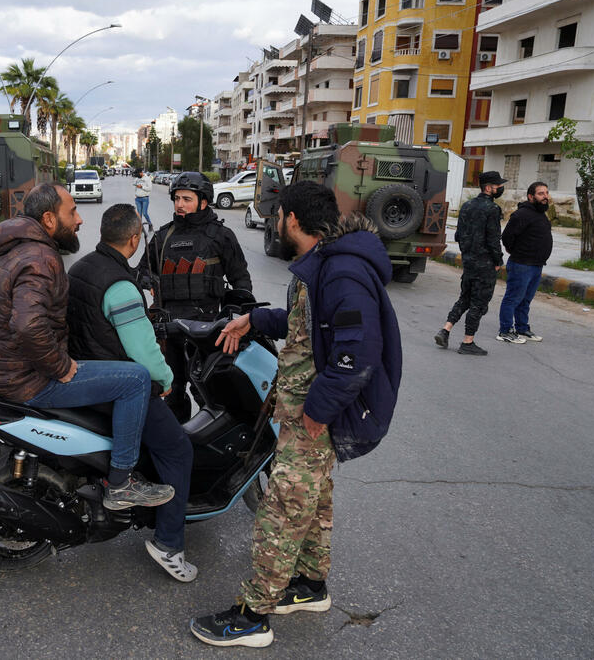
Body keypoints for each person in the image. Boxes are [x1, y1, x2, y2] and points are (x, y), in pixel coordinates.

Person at [188, 181, 401, 648]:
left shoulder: (342, 272)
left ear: (293, 220)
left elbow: (355, 356)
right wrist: (256, 320)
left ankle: (253, 614)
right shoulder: (323, 263)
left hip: (315, 414)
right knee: (314, 500)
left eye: (277, 215)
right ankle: (309, 586)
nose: (273, 222)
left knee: (282, 510)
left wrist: (317, 413)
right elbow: (310, 323)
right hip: (307, 410)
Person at [0, 183, 173, 510]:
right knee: (136, 379)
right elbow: (27, 324)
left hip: (5, 370)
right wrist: (61, 367)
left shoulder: (16, 248)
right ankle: (122, 483)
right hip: (29, 379)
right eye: (72, 212)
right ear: (50, 219)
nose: (80, 220)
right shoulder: (39, 257)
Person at [67, 203, 197, 582]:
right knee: (177, 448)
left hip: (84, 376)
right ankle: (169, 544)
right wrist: (168, 380)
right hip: (118, 387)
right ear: (135, 239)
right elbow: (142, 351)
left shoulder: (82, 267)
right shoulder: (120, 285)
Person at [147, 171, 252, 422]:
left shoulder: (221, 236)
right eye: (177, 199)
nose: (180, 205)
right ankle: (179, 443)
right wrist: (148, 282)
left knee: (207, 393)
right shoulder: (163, 236)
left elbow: (240, 280)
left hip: (206, 332)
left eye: (187, 199)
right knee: (171, 393)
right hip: (169, 329)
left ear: (203, 201)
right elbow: (143, 271)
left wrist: (240, 317)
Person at [435, 170, 507, 355]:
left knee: (465, 298)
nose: (501, 188)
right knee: (479, 303)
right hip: (485, 264)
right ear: (489, 188)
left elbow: (459, 235)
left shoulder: (466, 206)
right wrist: (498, 261)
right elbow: (493, 239)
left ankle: (446, 329)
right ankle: (468, 342)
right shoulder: (492, 209)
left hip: (468, 261)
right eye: (498, 186)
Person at [498, 182, 552, 343]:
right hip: (521, 264)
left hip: (536, 265)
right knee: (513, 298)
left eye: (546, 193)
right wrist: (514, 250)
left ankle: (522, 328)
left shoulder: (540, 214)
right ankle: (505, 331)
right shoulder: (521, 214)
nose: (545, 197)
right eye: (541, 194)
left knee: (525, 299)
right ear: (531, 196)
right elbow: (507, 237)